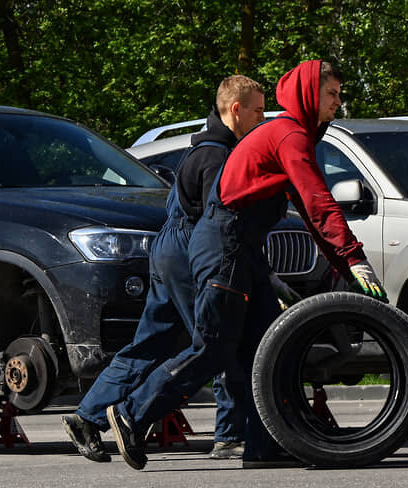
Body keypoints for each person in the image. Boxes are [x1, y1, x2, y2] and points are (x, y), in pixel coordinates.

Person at [105, 59, 387, 471]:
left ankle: (265, 444)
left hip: (243, 248)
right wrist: (355, 259)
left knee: (268, 349)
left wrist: (345, 265)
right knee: (215, 347)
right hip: (224, 244)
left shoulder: (295, 137)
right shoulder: (289, 133)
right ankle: (131, 414)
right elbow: (317, 202)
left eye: (340, 95)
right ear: (310, 93)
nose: (337, 103)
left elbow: (311, 216)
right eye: (331, 94)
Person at [62, 75, 279, 462]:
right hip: (188, 251)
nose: (263, 118)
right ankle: (230, 436)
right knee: (216, 342)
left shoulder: (202, 150)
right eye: (259, 110)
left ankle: (88, 415)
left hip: (166, 249)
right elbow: (220, 217)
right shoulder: (218, 157)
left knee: (152, 344)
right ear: (236, 110)